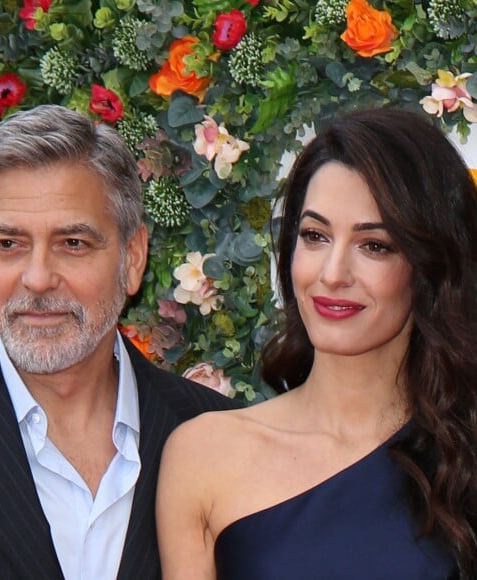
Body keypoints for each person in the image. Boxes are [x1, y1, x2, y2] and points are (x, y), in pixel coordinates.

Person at [0, 104, 239, 580]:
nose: (37, 279)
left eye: (72, 243)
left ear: (133, 256)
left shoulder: (224, 441)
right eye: (8, 245)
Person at [156, 108, 476, 579]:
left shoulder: (462, 454)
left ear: (428, 266)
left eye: (374, 245)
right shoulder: (203, 455)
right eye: (315, 236)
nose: (332, 274)